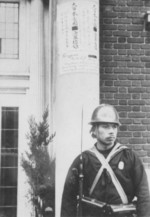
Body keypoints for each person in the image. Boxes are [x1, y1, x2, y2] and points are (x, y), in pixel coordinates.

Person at [61, 104, 150, 217]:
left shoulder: (130, 158)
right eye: (105, 126)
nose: (111, 131)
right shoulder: (83, 160)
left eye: (114, 127)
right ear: (94, 129)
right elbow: (68, 201)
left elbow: (144, 197)